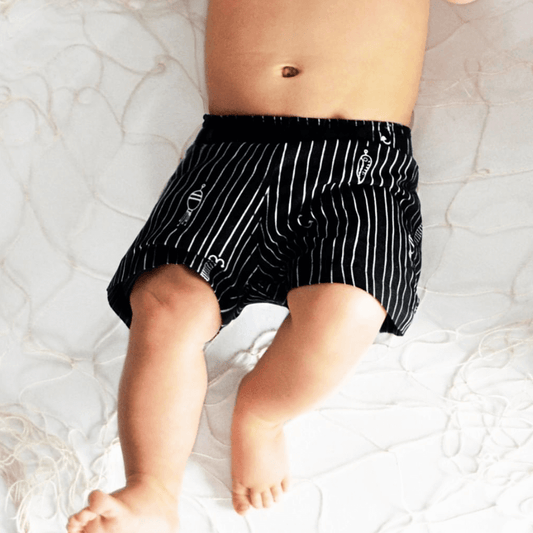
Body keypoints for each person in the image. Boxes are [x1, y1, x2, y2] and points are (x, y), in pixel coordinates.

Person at [67, 0, 475, 531]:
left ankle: (261, 414)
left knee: (352, 306)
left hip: (356, 164)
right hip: (233, 152)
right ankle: (152, 489)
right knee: (167, 304)